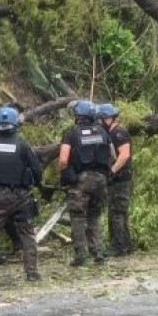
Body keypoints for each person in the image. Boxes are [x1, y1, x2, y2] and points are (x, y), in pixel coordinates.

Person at [0, 106, 42, 286]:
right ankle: (32, 273)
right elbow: (36, 169)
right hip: (21, 196)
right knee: (27, 234)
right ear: (15, 124)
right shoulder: (23, 145)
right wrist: (35, 185)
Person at [57, 101, 113, 267]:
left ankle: (81, 255)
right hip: (101, 180)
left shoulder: (70, 133)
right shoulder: (103, 131)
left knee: (78, 217)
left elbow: (62, 159)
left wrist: (65, 176)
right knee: (95, 215)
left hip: (81, 180)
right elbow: (113, 156)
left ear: (77, 116)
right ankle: (98, 252)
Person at [98, 102, 135, 258]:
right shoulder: (109, 133)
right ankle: (126, 244)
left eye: (100, 119)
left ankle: (118, 247)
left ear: (108, 119)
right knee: (118, 212)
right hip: (117, 179)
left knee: (117, 213)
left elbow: (124, 154)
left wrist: (112, 172)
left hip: (121, 179)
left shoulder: (119, 132)